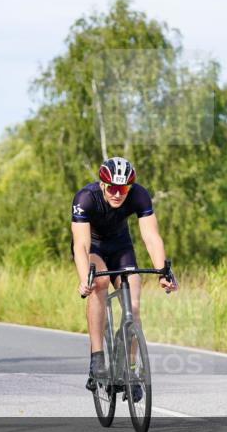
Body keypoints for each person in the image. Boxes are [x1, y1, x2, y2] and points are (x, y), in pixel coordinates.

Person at [71, 157, 177, 396]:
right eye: (113, 188)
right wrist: (83, 279)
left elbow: (151, 237)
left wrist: (163, 271)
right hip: (94, 247)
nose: (118, 194)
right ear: (102, 185)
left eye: (124, 189)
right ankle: (97, 357)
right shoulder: (85, 198)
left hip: (121, 248)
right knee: (98, 283)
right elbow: (81, 245)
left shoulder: (139, 195)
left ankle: (129, 370)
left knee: (134, 306)